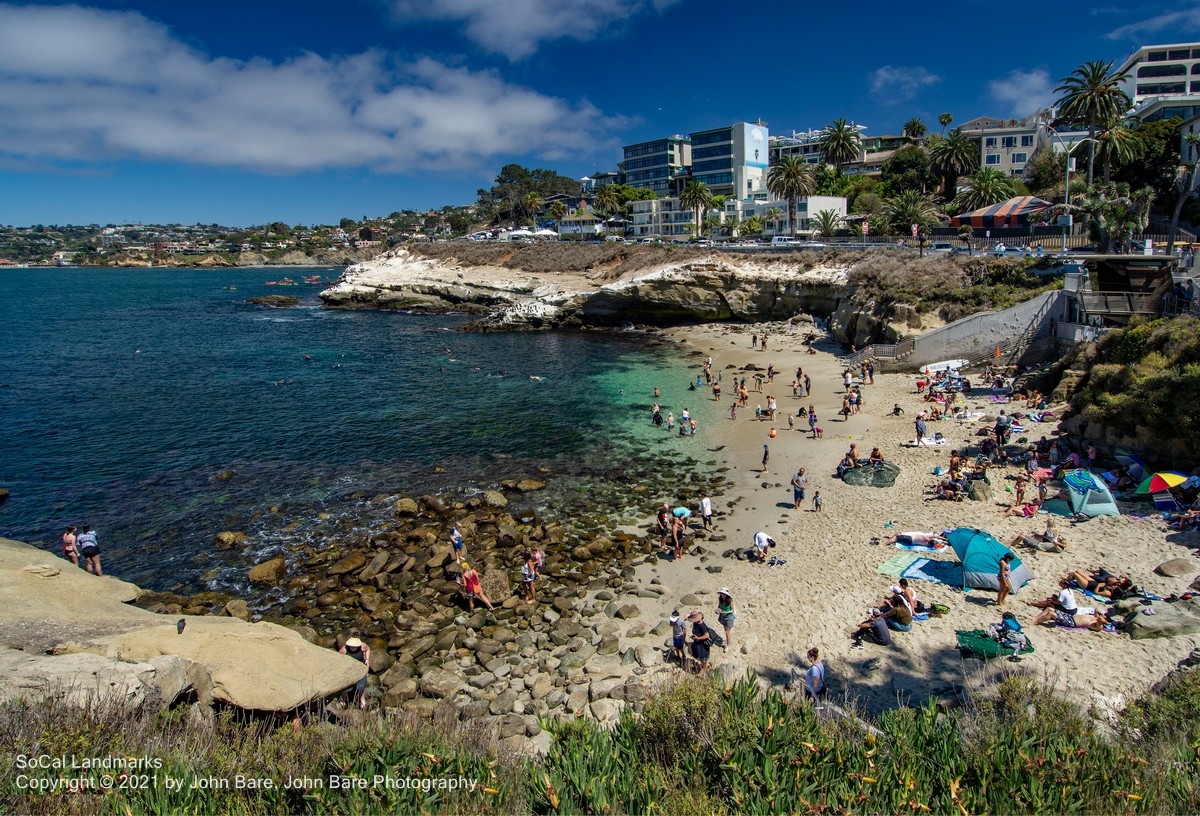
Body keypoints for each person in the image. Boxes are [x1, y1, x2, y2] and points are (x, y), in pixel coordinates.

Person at [339, 632, 372, 709]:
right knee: (346, 687)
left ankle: (362, 698)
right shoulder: (344, 649)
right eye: (352, 646)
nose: (353, 647)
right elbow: (339, 658)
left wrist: (367, 659)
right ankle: (343, 697)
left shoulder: (362, 646)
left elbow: (368, 649)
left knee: (361, 686)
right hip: (349, 670)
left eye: (355, 646)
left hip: (360, 669)